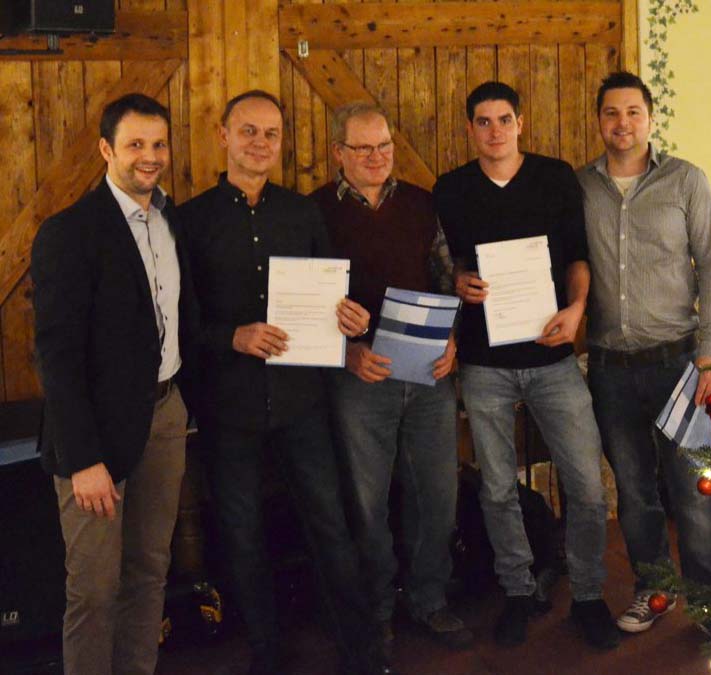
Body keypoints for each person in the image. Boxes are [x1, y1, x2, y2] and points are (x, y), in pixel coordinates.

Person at [178, 90, 388, 675]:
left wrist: (350, 319)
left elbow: (335, 298)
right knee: (241, 538)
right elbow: (180, 323)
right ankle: (266, 654)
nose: (260, 143)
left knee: (331, 528)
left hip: (302, 402)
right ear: (223, 136)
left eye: (271, 133)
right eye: (248, 131)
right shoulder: (189, 222)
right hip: (229, 408)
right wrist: (232, 337)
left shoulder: (302, 213)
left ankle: (361, 653)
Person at [433, 81, 618, 650]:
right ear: (470, 129)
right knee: (496, 489)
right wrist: (458, 280)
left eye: (504, 120)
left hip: (553, 355)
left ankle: (588, 594)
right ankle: (518, 590)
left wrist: (577, 309)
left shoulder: (555, 177)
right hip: (484, 363)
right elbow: (447, 264)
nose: (495, 131)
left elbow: (578, 257)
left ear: (521, 123)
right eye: (483, 122)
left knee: (587, 486)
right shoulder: (451, 189)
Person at [31, 92, 198, 675]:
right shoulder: (69, 232)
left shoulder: (171, 220)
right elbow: (57, 357)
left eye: (159, 144)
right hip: (96, 436)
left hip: (166, 414)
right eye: (135, 144)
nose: (150, 156)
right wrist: (84, 460)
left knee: (149, 573)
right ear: (106, 149)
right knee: (95, 590)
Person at [309, 102, 471, 651]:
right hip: (361, 380)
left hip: (428, 372)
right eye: (363, 148)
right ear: (338, 153)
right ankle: (375, 609)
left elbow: (446, 279)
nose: (377, 157)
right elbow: (303, 305)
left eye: (384, 145)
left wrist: (452, 339)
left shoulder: (423, 204)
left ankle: (428, 599)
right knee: (366, 502)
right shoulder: (314, 213)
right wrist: (347, 354)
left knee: (437, 495)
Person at [576, 71, 711, 634]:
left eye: (633, 112)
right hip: (610, 369)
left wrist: (710, 356)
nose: (622, 123)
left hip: (680, 365)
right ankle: (654, 590)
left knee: (693, 491)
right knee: (635, 492)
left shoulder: (686, 180)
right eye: (611, 113)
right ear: (599, 120)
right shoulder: (581, 187)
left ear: (650, 118)